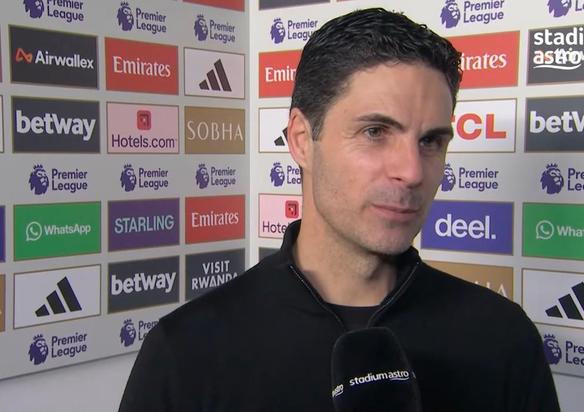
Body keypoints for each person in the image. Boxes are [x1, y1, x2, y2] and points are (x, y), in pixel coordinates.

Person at [119, 8, 560, 411]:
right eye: (375, 132)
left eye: (430, 141)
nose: (411, 171)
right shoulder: (186, 352)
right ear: (301, 140)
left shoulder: (502, 338)